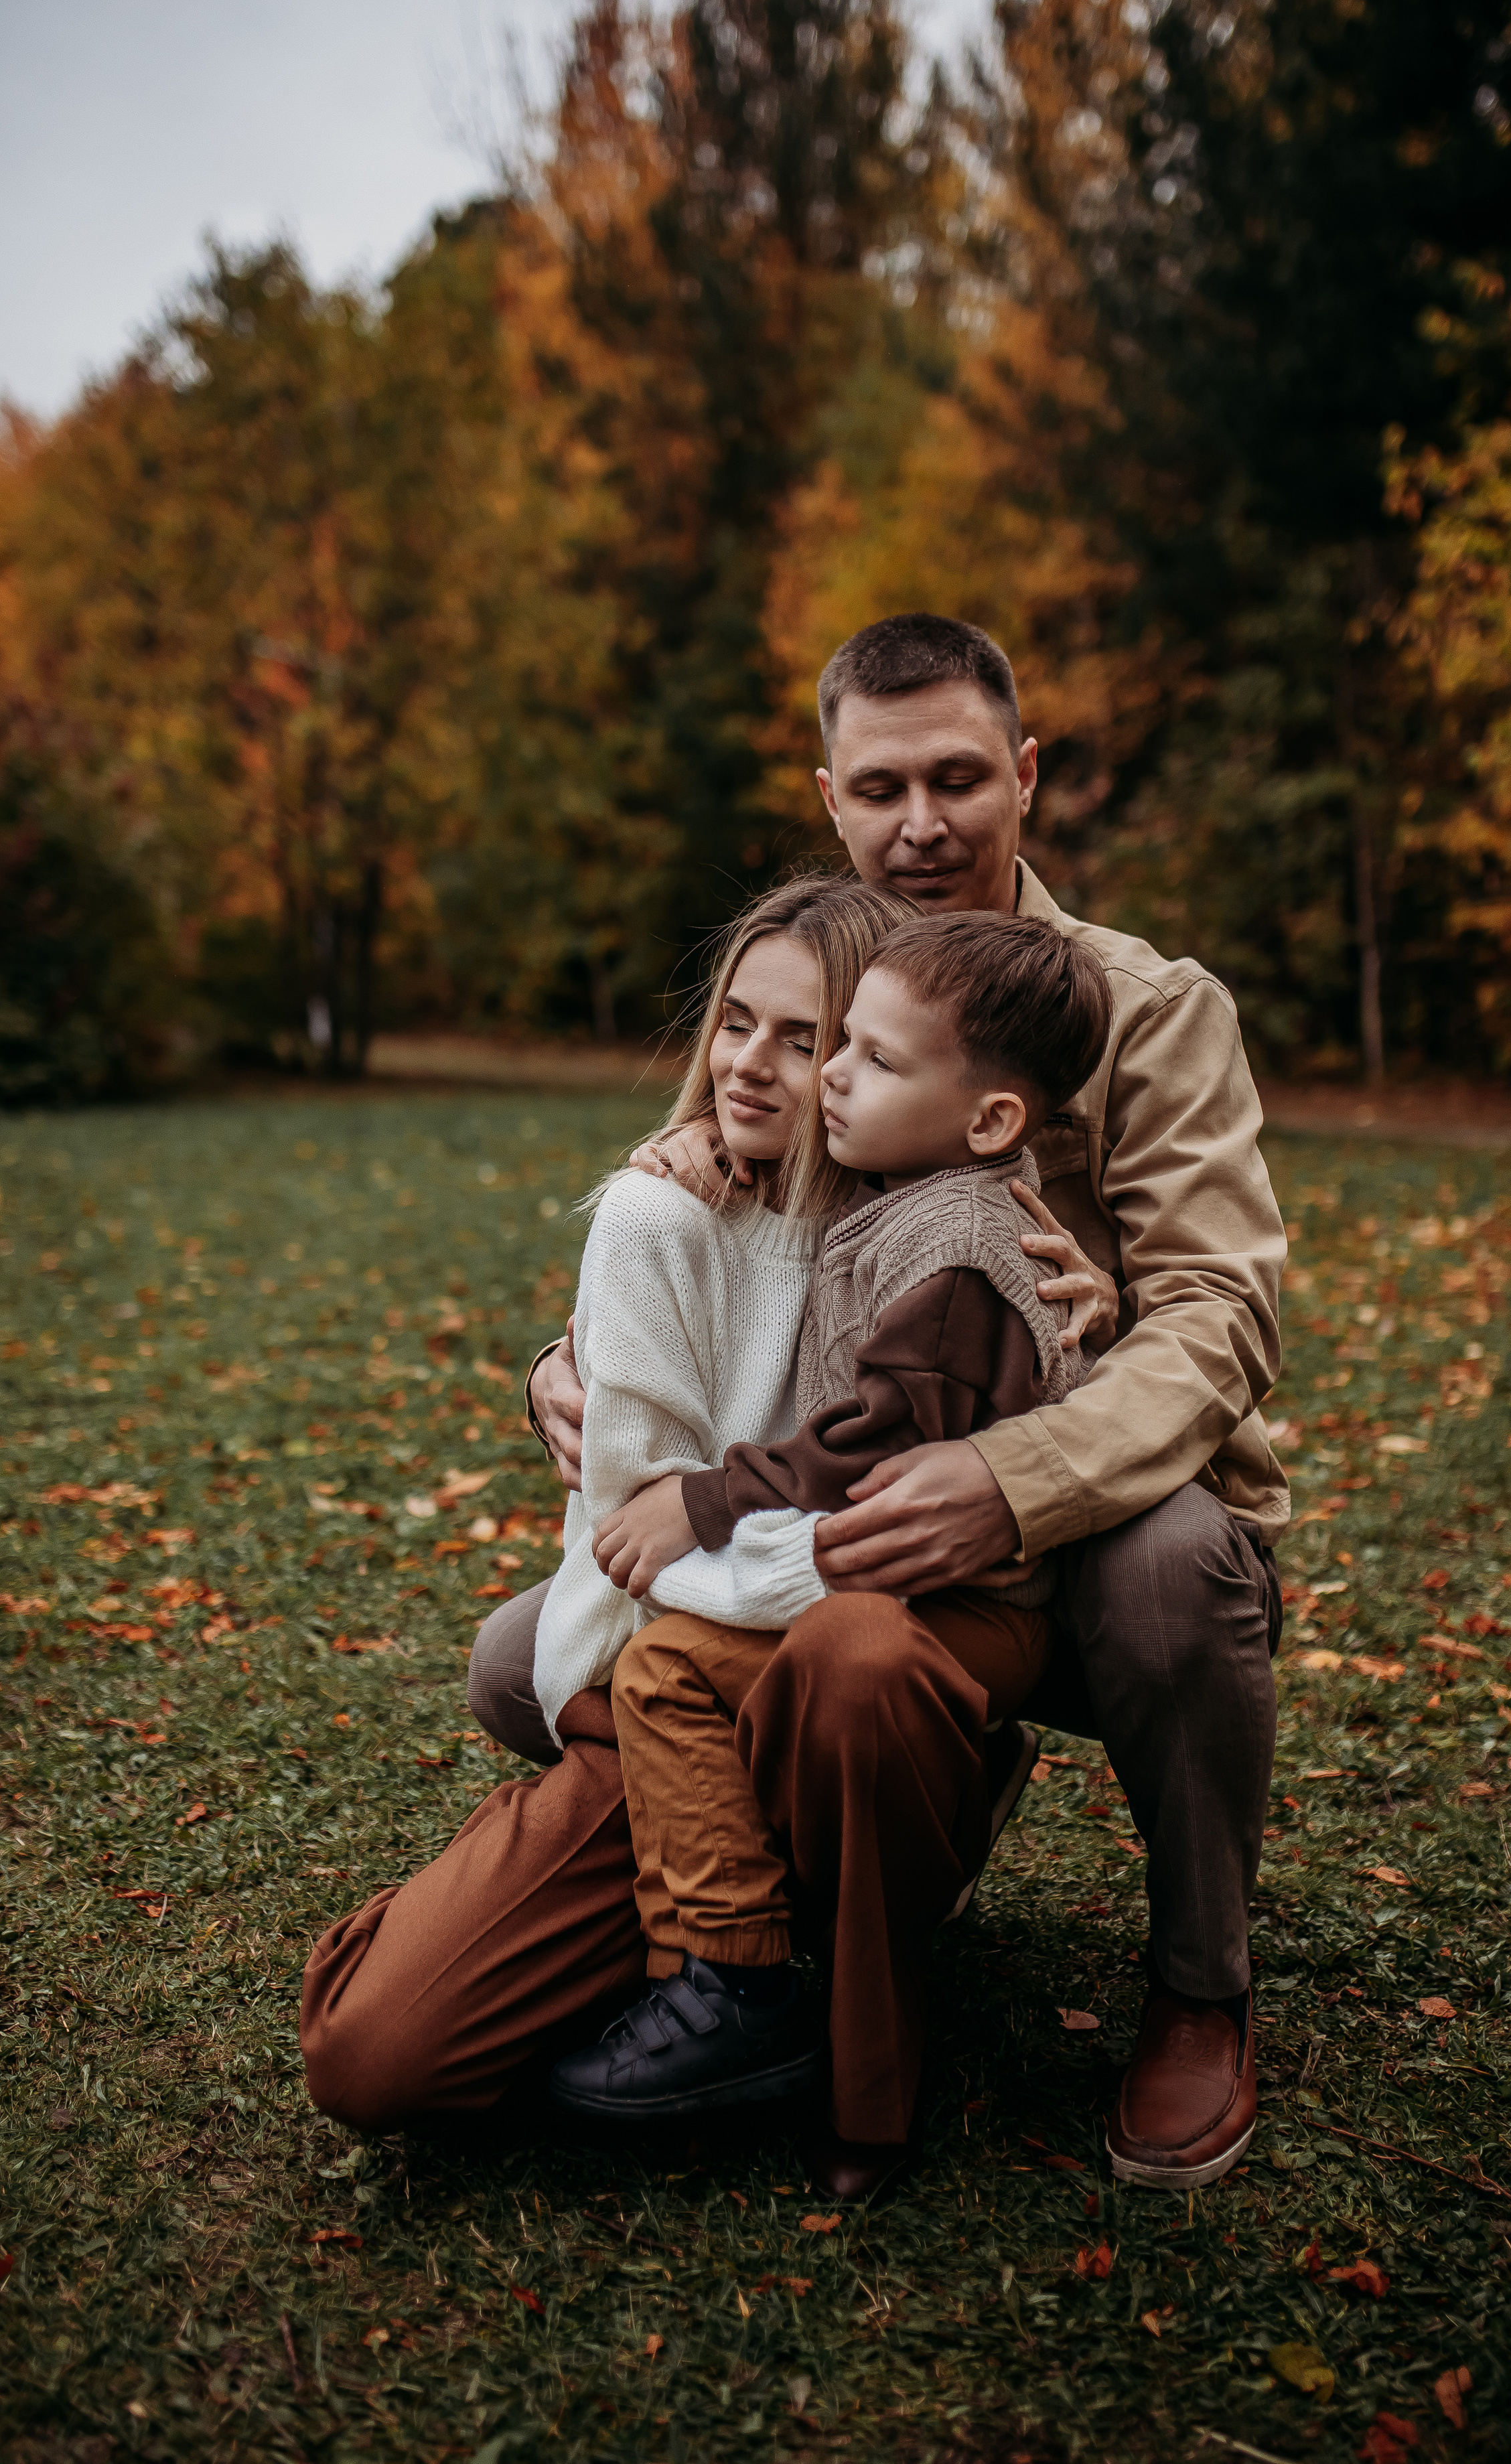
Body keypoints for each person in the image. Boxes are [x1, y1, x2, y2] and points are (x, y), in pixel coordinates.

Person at [502, 611, 1287, 2192]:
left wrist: (1013, 1474)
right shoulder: (823, 989)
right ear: (829, 796)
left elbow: (1216, 1313)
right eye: (878, 789)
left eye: (954, 777)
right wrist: (563, 1366)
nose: (917, 824)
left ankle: (1199, 1986)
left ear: (1024, 775)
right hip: (841, 1493)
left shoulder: (1144, 1003)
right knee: (516, 1660)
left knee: (1171, 1574)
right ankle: (770, 1924)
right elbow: (709, 1212)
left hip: (1073, 1497)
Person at [300, 865, 1081, 2182]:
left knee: (861, 1656)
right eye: (736, 1023)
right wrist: (583, 1369)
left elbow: (962, 1389)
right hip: (665, 1717)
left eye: (813, 1038)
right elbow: (638, 1548)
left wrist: (1073, 1327)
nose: (762, 1069)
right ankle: (693, 1955)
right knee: (372, 2059)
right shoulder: (663, 1215)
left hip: (824, 1689)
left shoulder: (922, 1219)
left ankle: (806, 1937)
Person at [547, 910, 1113, 2124]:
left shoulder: (953, 1242)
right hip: (879, 1566)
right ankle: (726, 1957)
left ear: (989, 1119)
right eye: (819, 1044)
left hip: (958, 1586)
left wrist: (698, 1509)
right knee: (557, 1674)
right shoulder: (909, 1197)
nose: (805, 1073)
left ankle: (728, 1977)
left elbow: (870, 1448)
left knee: (665, 1677)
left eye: (843, 1050)